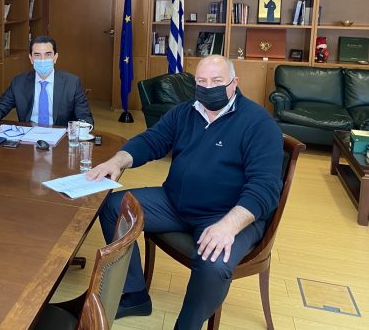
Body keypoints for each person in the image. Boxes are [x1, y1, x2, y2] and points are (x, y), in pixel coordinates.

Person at [86, 55, 283, 330]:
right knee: (112, 206)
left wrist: (228, 226)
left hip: (228, 214)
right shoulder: (186, 111)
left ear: (234, 83)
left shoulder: (259, 123)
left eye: (217, 81)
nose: (208, 87)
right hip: (174, 203)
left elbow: (265, 187)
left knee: (214, 264)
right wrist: (117, 161)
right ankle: (134, 294)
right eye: (202, 81)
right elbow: (153, 140)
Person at [0, 36, 93, 133]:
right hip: (29, 136)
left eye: (48, 54)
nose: (42, 60)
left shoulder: (72, 83)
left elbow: (86, 118)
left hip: (61, 138)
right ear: (31, 59)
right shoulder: (19, 82)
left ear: (55, 58)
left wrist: (79, 127)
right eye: (37, 55)